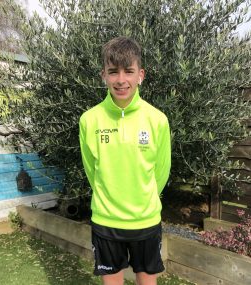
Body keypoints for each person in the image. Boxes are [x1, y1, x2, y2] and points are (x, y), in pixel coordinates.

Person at [79, 36, 171, 285]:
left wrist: (144, 199)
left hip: (147, 221)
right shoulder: (89, 120)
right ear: (104, 75)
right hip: (106, 222)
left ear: (140, 74)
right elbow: (92, 170)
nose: (121, 80)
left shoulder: (157, 119)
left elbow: (161, 172)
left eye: (128, 71)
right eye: (113, 72)